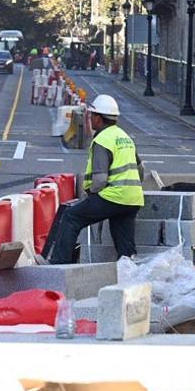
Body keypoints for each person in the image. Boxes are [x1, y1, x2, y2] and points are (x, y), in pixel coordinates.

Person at [44, 95, 144, 265]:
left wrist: (92, 195)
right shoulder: (125, 137)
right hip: (133, 199)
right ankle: (130, 278)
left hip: (113, 196)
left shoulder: (102, 140)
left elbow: (99, 180)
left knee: (71, 217)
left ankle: (59, 265)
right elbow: (141, 170)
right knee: (125, 248)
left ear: (98, 118)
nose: (89, 119)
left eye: (91, 116)